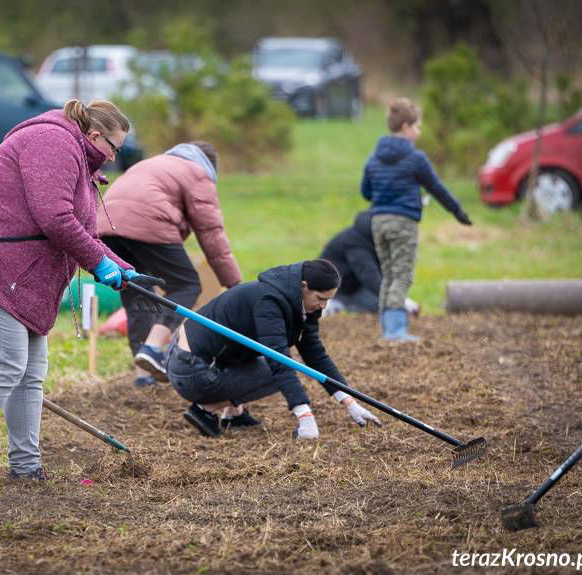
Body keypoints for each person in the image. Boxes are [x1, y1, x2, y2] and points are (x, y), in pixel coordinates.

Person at [0, 99, 136, 489]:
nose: (114, 158)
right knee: (6, 366)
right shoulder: (52, 142)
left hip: (26, 279)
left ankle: (25, 466)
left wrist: (122, 266)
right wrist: (98, 264)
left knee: (30, 374)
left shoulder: (79, 158)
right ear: (95, 134)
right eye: (114, 148)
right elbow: (55, 218)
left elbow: (84, 231)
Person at [166, 259, 382, 438]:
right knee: (276, 368)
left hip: (206, 361)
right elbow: (279, 358)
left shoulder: (301, 304)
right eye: (320, 298)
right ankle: (204, 410)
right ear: (303, 286)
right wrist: (304, 415)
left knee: (264, 358)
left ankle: (233, 414)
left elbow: (315, 354)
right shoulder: (269, 301)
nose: (323, 306)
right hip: (191, 369)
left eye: (328, 300)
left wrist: (349, 401)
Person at [99, 141, 241, 388]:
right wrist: (234, 284)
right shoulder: (198, 172)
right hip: (146, 222)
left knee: (138, 295)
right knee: (186, 285)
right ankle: (153, 349)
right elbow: (211, 232)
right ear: (210, 166)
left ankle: (143, 375)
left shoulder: (153, 163)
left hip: (105, 225)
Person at [361, 98, 472, 341]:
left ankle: (387, 327)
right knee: (402, 274)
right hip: (403, 223)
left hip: (378, 221)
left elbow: (366, 192)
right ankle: (396, 330)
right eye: (417, 126)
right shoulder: (415, 158)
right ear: (405, 127)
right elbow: (436, 188)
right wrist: (457, 211)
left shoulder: (374, 158)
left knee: (388, 275)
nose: (419, 132)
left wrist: (386, 194)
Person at [319, 210, 419, 317]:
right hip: (338, 290)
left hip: (356, 286)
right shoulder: (355, 242)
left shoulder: (373, 237)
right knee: (386, 305)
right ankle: (333, 304)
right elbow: (369, 275)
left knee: (385, 305)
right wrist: (398, 300)